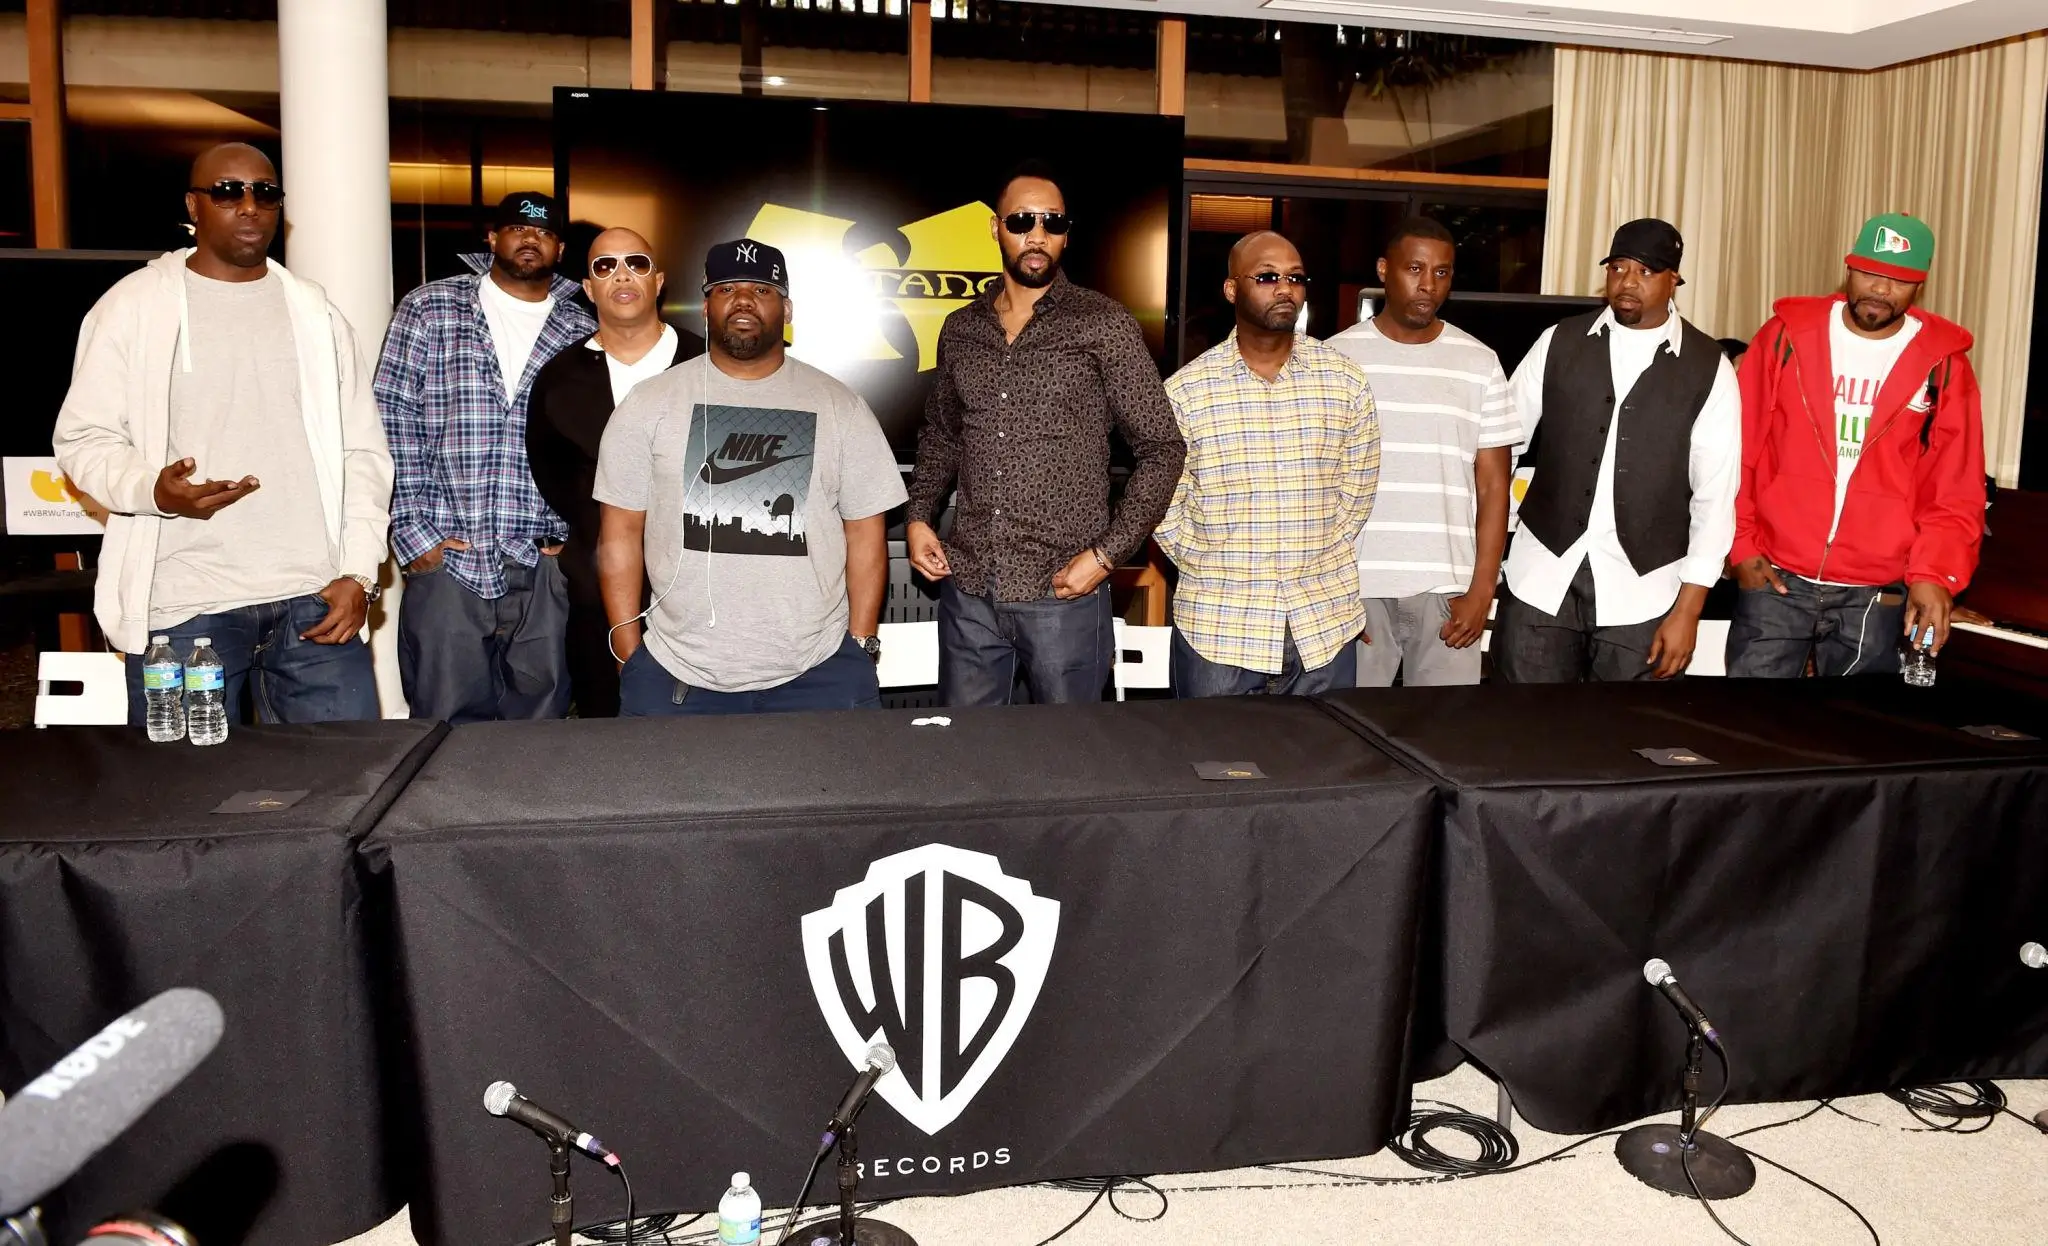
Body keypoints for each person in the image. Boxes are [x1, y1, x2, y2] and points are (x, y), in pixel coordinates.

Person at [52, 142, 392, 725]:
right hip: (185, 606)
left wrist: (360, 571)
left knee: (349, 790)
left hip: (315, 597)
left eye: (265, 192)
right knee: (190, 802)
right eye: (229, 192)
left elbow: (362, 452)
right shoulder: (133, 308)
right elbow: (84, 439)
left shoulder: (315, 314)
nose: (249, 206)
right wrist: (152, 491)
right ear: (194, 204)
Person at [905, 162, 1185, 706]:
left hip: (1064, 592)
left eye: (1052, 222)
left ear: (1065, 233)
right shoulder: (961, 328)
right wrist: (918, 517)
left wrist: (1107, 557)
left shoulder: (1102, 323)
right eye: (1022, 220)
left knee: (1069, 766)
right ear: (995, 228)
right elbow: (942, 434)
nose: (1037, 235)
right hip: (970, 593)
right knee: (970, 765)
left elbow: (1162, 449)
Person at [593, 239, 907, 716]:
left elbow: (866, 533)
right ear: (705, 306)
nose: (742, 300)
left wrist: (861, 647)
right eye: (726, 289)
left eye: (761, 289)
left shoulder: (840, 406)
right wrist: (628, 655)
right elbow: (619, 536)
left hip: (819, 673)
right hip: (677, 675)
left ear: (787, 308)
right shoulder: (649, 404)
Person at [1726, 213, 1985, 676]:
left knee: (1852, 742)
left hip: (1876, 593)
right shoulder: (1786, 336)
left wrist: (1933, 574)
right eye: (1870, 272)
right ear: (1848, 268)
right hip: (1776, 577)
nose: (1881, 290)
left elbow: (1955, 486)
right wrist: (1740, 545)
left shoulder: (1943, 365)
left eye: (1898, 280)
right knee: (1747, 734)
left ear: (1920, 285)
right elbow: (1737, 449)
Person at [374, 191, 596, 723]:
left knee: (541, 728)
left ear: (559, 248)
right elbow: (390, 416)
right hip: (450, 554)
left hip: (544, 560)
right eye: (516, 227)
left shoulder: (584, 329)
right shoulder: (430, 306)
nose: (529, 238)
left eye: (543, 232)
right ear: (492, 238)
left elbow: (597, 442)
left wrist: (574, 534)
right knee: (443, 726)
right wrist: (412, 532)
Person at [1494, 218, 1740, 682]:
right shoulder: (1558, 341)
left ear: (1674, 281)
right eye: (1619, 268)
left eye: (1646, 272)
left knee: (1628, 744)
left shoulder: (1710, 368)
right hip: (1540, 576)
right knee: (1521, 734)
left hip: (1645, 591)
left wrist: (1688, 610)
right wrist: (1487, 558)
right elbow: (1500, 447)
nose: (1628, 282)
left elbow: (1715, 496)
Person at [1154, 230, 1381, 696]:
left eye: (1295, 278)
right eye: (1267, 277)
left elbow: (1357, 493)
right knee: (1215, 767)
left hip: (1322, 626)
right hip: (1220, 629)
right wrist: (1209, 565)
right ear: (1232, 289)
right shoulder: (1186, 392)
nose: (1285, 288)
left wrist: (1317, 557)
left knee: (1326, 769)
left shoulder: (1343, 379)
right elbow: (1161, 502)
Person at [1328, 217, 1517, 686]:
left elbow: (1494, 486)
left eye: (1442, 272)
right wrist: (1330, 593)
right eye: (1415, 268)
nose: (1427, 284)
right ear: (1383, 269)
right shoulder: (1334, 358)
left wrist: (1482, 590)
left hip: (1448, 594)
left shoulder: (1479, 362)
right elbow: (1315, 484)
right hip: (1356, 591)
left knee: (1445, 744)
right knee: (1346, 742)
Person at [528, 227, 705, 717]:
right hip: (597, 597)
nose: (622, 274)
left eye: (637, 263)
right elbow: (552, 473)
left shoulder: (709, 363)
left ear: (659, 281)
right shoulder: (560, 377)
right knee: (611, 743)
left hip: (703, 595)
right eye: (605, 266)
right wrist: (592, 530)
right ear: (588, 288)